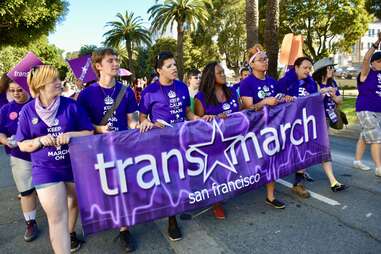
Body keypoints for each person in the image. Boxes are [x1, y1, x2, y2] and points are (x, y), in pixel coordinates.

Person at [16, 65, 94, 253]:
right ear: (41, 85)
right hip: (45, 169)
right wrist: (40, 140)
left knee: (74, 203)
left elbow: (89, 132)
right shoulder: (27, 111)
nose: (60, 83)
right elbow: (22, 144)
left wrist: (71, 135)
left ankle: (71, 233)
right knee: (57, 218)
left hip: (74, 166)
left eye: (59, 79)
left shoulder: (71, 105)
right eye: (54, 80)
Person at [77, 48, 139, 252]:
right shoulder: (86, 95)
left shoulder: (126, 91)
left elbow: (131, 121)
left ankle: (124, 230)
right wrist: (99, 129)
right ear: (98, 66)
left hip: (121, 148)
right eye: (110, 60)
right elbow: (82, 126)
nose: (115, 63)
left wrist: (139, 126)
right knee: (103, 189)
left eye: (117, 59)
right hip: (95, 150)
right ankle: (101, 220)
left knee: (122, 188)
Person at [139, 51, 200, 241]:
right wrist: (146, 122)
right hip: (162, 144)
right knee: (169, 180)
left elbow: (187, 111)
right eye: (169, 66)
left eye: (175, 64)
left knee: (182, 176)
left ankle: (181, 206)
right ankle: (171, 220)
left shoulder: (182, 87)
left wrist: (198, 120)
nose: (174, 68)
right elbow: (142, 116)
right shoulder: (149, 91)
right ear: (159, 70)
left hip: (183, 140)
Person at [278, 56, 347, 198]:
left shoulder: (310, 82)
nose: (308, 71)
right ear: (296, 68)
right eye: (305, 68)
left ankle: (299, 183)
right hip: (287, 123)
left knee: (305, 150)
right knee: (288, 151)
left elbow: (314, 99)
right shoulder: (285, 80)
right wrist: (285, 98)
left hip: (306, 121)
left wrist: (321, 94)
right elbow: (276, 97)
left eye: (310, 68)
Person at [240, 45, 290, 209]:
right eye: (261, 59)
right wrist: (264, 102)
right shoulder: (247, 83)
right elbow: (248, 107)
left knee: (271, 160)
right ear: (252, 64)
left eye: (266, 58)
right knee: (253, 162)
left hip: (271, 128)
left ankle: (270, 196)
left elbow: (278, 99)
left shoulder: (272, 81)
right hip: (254, 130)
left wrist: (286, 98)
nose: (265, 61)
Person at [193, 61, 240, 219]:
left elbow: (242, 113)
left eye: (223, 72)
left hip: (235, 140)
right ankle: (216, 202)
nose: (223, 75)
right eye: (219, 73)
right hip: (214, 144)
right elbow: (198, 123)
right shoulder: (201, 97)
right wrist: (212, 119)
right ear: (210, 77)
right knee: (216, 172)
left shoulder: (232, 92)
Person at [0, 77, 39, 242]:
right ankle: (30, 223)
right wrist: (5, 140)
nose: (16, 93)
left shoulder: (38, 104)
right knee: (26, 191)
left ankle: (62, 222)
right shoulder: (5, 110)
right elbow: (0, 132)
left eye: (19, 90)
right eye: (12, 90)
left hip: (43, 154)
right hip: (20, 157)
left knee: (52, 190)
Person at [356, 32, 381, 177]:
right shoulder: (367, 72)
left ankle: (357, 161)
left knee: (365, 136)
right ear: (373, 63)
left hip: (378, 110)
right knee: (377, 137)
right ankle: (379, 168)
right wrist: (377, 42)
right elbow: (366, 59)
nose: (380, 63)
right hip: (366, 109)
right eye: (378, 61)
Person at [312, 57, 343, 129]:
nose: (333, 70)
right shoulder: (314, 84)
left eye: (333, 68)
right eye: (330, 68)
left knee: (326, 139)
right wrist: (324, 91)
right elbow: (314, 99)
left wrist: (334, 96)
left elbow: (340, 100)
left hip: (330, 116)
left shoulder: (332, 83)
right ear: (322, 70)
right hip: (319, 118)